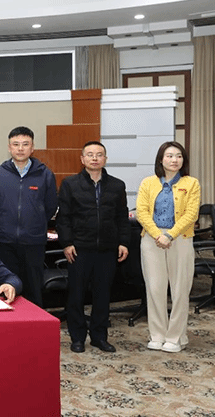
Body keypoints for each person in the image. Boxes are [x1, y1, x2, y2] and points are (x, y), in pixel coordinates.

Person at [57, 141, 130, 353]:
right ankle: (77, 337)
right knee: (76, 295)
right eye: (90, 154)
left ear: (105, 159)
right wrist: (67, 243)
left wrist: (124, 242)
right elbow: (64, 218)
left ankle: (99, 337)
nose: (95, 158)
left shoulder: (117, 185)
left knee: (103, 295)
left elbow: (122, 217)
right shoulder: (70, 184)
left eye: (99, 154)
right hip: (79, 249)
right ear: (82, 159)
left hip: (107, 249)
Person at [0, 126, 57, 307]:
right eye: (16, 144)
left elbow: (50, 207)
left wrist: (35, 224)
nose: (20, 148)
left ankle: (34, 324)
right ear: (9, 147)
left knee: (33, 291)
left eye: (25, 144)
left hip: (33, 243)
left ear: (32, 147)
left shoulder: (45, 174)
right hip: (3, 243)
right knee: (6, 291)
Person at [136, 141, 200, 353]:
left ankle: (176, 337)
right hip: (152, 239)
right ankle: (157, 335)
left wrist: (170, 235)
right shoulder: (148, 183)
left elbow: (191, 214)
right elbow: (141, 212)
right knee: (155, 288)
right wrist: (158, 235)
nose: (174, 160)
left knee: (180, 289)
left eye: (179, 156)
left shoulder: (191, 183)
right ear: (161, 159)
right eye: (170, 156)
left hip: (180, 239)